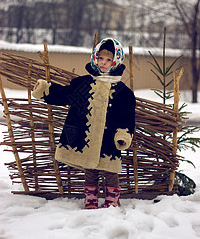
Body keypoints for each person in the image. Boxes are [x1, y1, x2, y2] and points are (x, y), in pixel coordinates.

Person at [32, 38, 136, 209]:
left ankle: (112, 199)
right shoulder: (83, 84)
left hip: (109, 139)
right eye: (100, 58)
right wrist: (45, 89)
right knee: (90, 170)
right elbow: (65, 95)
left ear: (116, 61)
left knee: (110, 171)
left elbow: (127, 116)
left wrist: (124, 135)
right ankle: (91, 198)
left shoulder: (123, 92)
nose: (103, 63)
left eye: (108, 60)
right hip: (86, 137)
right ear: (95, 58)